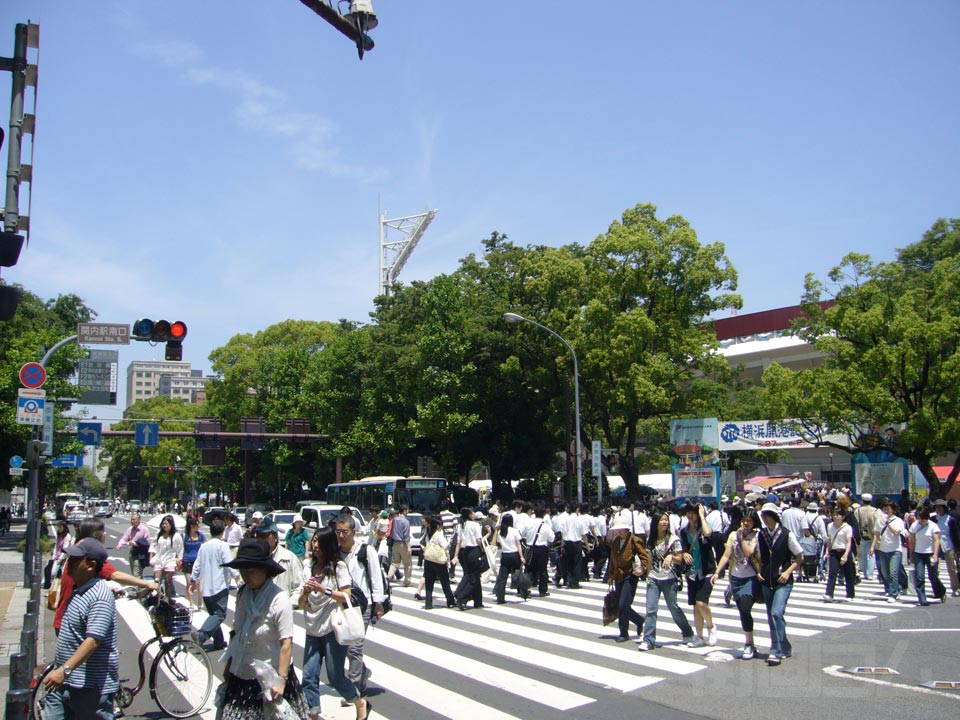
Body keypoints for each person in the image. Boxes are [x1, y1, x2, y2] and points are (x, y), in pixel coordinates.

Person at [219, 538, 309, 719]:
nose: (246, 575)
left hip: (273, 676)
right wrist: (229, 664)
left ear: (265, 571)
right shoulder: (243, 593)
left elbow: (286, 643)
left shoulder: (279, 599)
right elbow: (237, 632)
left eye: (251, 571)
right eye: (242, 571)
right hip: (243, 672)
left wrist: (281, 681)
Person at [42, 538, 119, 720]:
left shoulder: (99, 596)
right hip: (63, 682)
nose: (69, 564)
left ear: (91, 565)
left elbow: (93, 640)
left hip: (90, 687)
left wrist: (64, 670)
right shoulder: (79, 589)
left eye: (76, 560)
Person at [300, 527, 371, 720]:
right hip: (312, 628)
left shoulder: (338, 566)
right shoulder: (307, 567)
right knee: (308, 676)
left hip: (333, 629)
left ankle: (359, 702)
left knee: (335, 676)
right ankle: (313, 715)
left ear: (327, 545)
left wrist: (324, 590)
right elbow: (300, 604)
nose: (315, 546)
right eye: (313, 541)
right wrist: (305, 592)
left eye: (319, 542)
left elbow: (346, 596)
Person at [59, 519, 158, 635]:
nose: (105, 534)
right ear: (96, 535)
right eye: (103, 531)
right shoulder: (89, 555)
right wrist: (147, 583)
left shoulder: (78, 548)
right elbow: (115, 575)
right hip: (71, 619)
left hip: (67, 614)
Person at [336, 515, 385, 699]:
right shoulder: (335, 552)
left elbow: (375, 576)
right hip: (341, 605)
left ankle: (353, 688)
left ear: (354, 531)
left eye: (345, 532)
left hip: (363, 605)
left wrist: (378, 603)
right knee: (344, 646)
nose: (341, 536)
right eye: (338, 532)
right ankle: (362, 671)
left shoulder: (366, 550)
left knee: (355, 647)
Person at [756, 502, 804, 666]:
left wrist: (788, 571)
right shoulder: (761, 535)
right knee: (772, 616)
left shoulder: (786, 534)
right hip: (766, 580)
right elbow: (758, 556)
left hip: (783, 581)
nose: (765, 519)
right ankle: (784, 645)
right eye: (763, 516)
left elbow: (799, 556)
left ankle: (775, 651)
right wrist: (758, 571)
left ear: (775, 516)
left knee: (776, 613)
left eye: (768, 515)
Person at [712, 508, 762, 659]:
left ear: (754, 522)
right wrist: (717, 571)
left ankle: (749, 644)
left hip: (751, 577)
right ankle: (749, 642)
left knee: (746, 608)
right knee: (742, 610)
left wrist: (742, 537)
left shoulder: (757, 536)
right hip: (735, 577)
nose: (745, 523)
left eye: (749, 521)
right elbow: (726, 555)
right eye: (743, 520)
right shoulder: (733, 535)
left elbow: (748, 553)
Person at [639, 513, 691, 651]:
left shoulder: (674, 539)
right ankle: (648, 640)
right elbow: (649, 557)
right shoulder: (651, 540)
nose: (664, 522)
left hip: (669, 579)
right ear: (655, 523)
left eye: (666, 520)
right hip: (654, 578)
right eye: (661, 520)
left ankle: (688, 632)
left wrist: (671, 557)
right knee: (651, 610)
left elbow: (680, 559)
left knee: (673, 608)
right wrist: (647, 574)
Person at [189, 518, 236, 651]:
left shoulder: (204, 546)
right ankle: (202, 634)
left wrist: (193, 580)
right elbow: (228, 563)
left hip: (205, 587)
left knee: (213, 615)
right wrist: (237, 576)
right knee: (219, 615)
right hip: (219, 586)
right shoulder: (223, 546)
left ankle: (219, 642)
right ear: (222, 532)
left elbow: (197, 565)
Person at [679, 503, 718, 646]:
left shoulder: (703, 527)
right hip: (691, 572)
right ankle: (700, 637)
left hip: (706, 570)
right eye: (688, 513)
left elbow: (708, 534)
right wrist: (684, 554)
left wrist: (702, 516)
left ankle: (711, 627)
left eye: (693, 513)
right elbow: (681, 548)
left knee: (702, 602)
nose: (690, 515)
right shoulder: (684, 531)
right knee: (696, 605)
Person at [253, 518, 304, 601]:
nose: (260, 539)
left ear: (275, 537)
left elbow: (299, 587)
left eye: (264, 536)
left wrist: (287, 605)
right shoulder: (252, 557)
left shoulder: (288, 558)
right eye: (258, 535)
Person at [908, 506, 946, 606]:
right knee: (919, 576)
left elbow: (936, 541)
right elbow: (912, 541)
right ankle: (922, 599)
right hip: (918, 553)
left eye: (923, 518)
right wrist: (911, 554)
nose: (921, 520)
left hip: (930, 553)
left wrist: (935, 555)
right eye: (919, 517)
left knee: (932, 576)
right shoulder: (914, 525)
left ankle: (941, 591)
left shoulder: (933, 526)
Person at [871, 498, 906, 602]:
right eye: (884, 509)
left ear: (893, 510)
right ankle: (896, 588)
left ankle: (893, 594)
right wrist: (872, 547)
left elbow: (896, 533)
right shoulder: (879, 521)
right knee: (885, 573)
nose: (886, 511)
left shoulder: (898, 521)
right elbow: (876, 534)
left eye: (888, 509)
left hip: (895, 549)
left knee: (893, 572)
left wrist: (888, 524)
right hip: (883, 549)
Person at [452, 507, 486, 610]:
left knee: (473, 575)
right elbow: (479, 540)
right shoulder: (475, 525)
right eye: (472, 512)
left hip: (464, 552)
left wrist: (456, 555)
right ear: (470, 515)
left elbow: (459, 542)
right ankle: (462, 597)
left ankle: (478, 601)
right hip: (474, 550)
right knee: (474, 578)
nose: (474, 513)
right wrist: (483, 550)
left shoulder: (461, 525)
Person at [420, 516, 456, 609]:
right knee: (445, 582)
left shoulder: (428, 532)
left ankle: (428, 603)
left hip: (428, 560)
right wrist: (449, 540)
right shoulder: (439, 534)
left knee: (429, 583)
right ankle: (450, 601)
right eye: (441, 525)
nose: (442, 527)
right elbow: (445, 545)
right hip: (439, 561)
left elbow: (422, 542)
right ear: (437, 526)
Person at [822, 507, 857, 602]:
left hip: (844, 551)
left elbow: (849, 542)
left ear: (843, 517)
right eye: (834, 515)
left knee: (848, 573)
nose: (835, 517)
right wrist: (827, 551)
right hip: (834, 551)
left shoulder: (847, 528)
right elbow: (829, 539)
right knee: (832, 573)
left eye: (838, 515)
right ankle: (829, 594)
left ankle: (850, 594)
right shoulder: (830, 526)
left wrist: (846, 554)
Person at [493, 514, 527, 603]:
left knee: (503, 577)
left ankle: (500, 597)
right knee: (518, 574)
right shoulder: (514, 531)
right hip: (514, 555)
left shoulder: (501, 532)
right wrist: (521, 556)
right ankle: (524, 592)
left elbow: (497, 542)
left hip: (505, 555)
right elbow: (518, 544)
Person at [523, 507, 555, 597]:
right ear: (544, 514)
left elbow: (522, 534)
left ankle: (525, 589)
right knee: (542, 570)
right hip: (542, 549)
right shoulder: (545, 525)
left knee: (529, 569)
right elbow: (551, 538)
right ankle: (543, 590)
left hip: (530, 548)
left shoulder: (528, 523)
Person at [150, 515, 183, 598]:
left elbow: (180, 550)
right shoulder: (159, 534)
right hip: (159, 559)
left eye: (166, 524)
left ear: (171, 524)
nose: (164, 525)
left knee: (168, 582)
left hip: (170, 560)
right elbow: (153, 546)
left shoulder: (176, 536)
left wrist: (179, 563)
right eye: (163, 524)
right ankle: (158, 597)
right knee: (156, 581)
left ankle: (168, 599)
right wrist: (151, 558)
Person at [933, 499, 960, 597]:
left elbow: (955, 534)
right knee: (935, 569)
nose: (939, 509)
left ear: (945, 508)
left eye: (940, 507)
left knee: (952, 568)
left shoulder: (950, 519)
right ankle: (938, 589)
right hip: (936, 546)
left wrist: (958, 548)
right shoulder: (933, 519)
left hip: (949, 545)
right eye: (937, 507)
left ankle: (956, 588)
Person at [115, 513, 151, 578]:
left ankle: (139, 586)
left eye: (134, 519)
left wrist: (136, 543)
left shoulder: (144, 529)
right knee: (134, 573)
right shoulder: (130, 529)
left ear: (139, 520)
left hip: (140, 553)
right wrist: (119, 545)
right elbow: (124, 538)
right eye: (131, 520)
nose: (132, 521)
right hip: (132, 553)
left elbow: (147, 542)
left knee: (137, 574)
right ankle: (140, 585)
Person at [181, 517, 205, 609]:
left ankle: (200, 598)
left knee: (198, 583)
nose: (198, 526)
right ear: (191, 526)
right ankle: (191, 602)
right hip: (187, 561)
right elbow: (180, 548)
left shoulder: (200, 535)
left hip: (198, 562)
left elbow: (205, 545)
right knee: (189, 583)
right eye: (196, 525)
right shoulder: (184, 536)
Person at [854, 494, 879, 580]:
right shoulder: (875, 510)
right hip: (872, 534)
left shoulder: (857, 511)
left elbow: (855, 523)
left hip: (861, 535)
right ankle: (870, 573)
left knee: (863, 554)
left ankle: (864, 571)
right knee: (871, 554)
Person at [387, 505, 413, 587]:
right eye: (407, 510)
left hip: (395, 543)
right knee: (407, 563)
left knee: (395, 562)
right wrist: (408, 546)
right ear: (404, 510)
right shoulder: (405, 521)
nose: (407, 512)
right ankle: (407, 581)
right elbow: (406, 535)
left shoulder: (394, 520)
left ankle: (388, 576)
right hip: (403, 544)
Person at [45, 521, 73, 589]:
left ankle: (60, 588)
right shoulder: (59, 535)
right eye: (58, 527)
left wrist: (60, 559)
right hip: (57, 557)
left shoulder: (67, 536)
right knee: (53, 573)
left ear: (64, 527)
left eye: (60, 527)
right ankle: (52, 588)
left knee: (61, 573)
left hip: (63, 558)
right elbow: (56, 546)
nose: (59, 529)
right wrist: (54, 556)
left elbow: (65, 549)